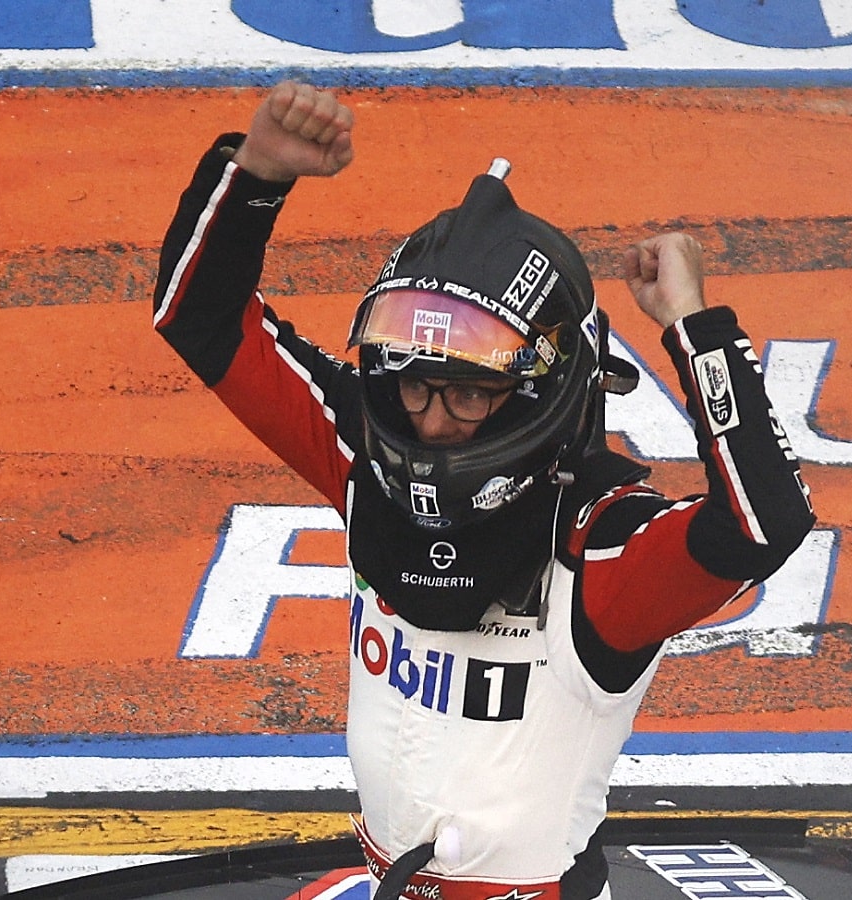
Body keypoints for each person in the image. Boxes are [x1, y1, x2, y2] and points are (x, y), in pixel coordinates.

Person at [153, 81, 815, 900]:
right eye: (414, 386)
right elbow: (201, 318)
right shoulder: (364, 452)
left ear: (540, 389)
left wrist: (697, 328)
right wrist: (254, 174)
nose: (432, 423)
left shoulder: (599, 550)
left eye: (469, 392)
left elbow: (765, 523)